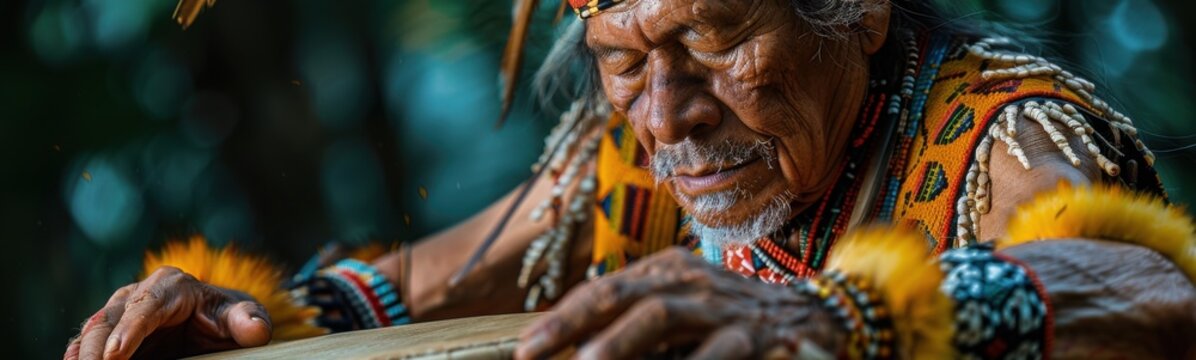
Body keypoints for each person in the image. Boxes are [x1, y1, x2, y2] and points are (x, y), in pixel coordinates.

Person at [65, 0, 1196, 359]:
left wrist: (841, 317)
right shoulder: (628, 167)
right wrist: (237, 323)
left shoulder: (997, 129)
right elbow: (397, 293)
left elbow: (1156, 291)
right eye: (621, 61)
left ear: (853, 10)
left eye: (712, 39)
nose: (667, 118)